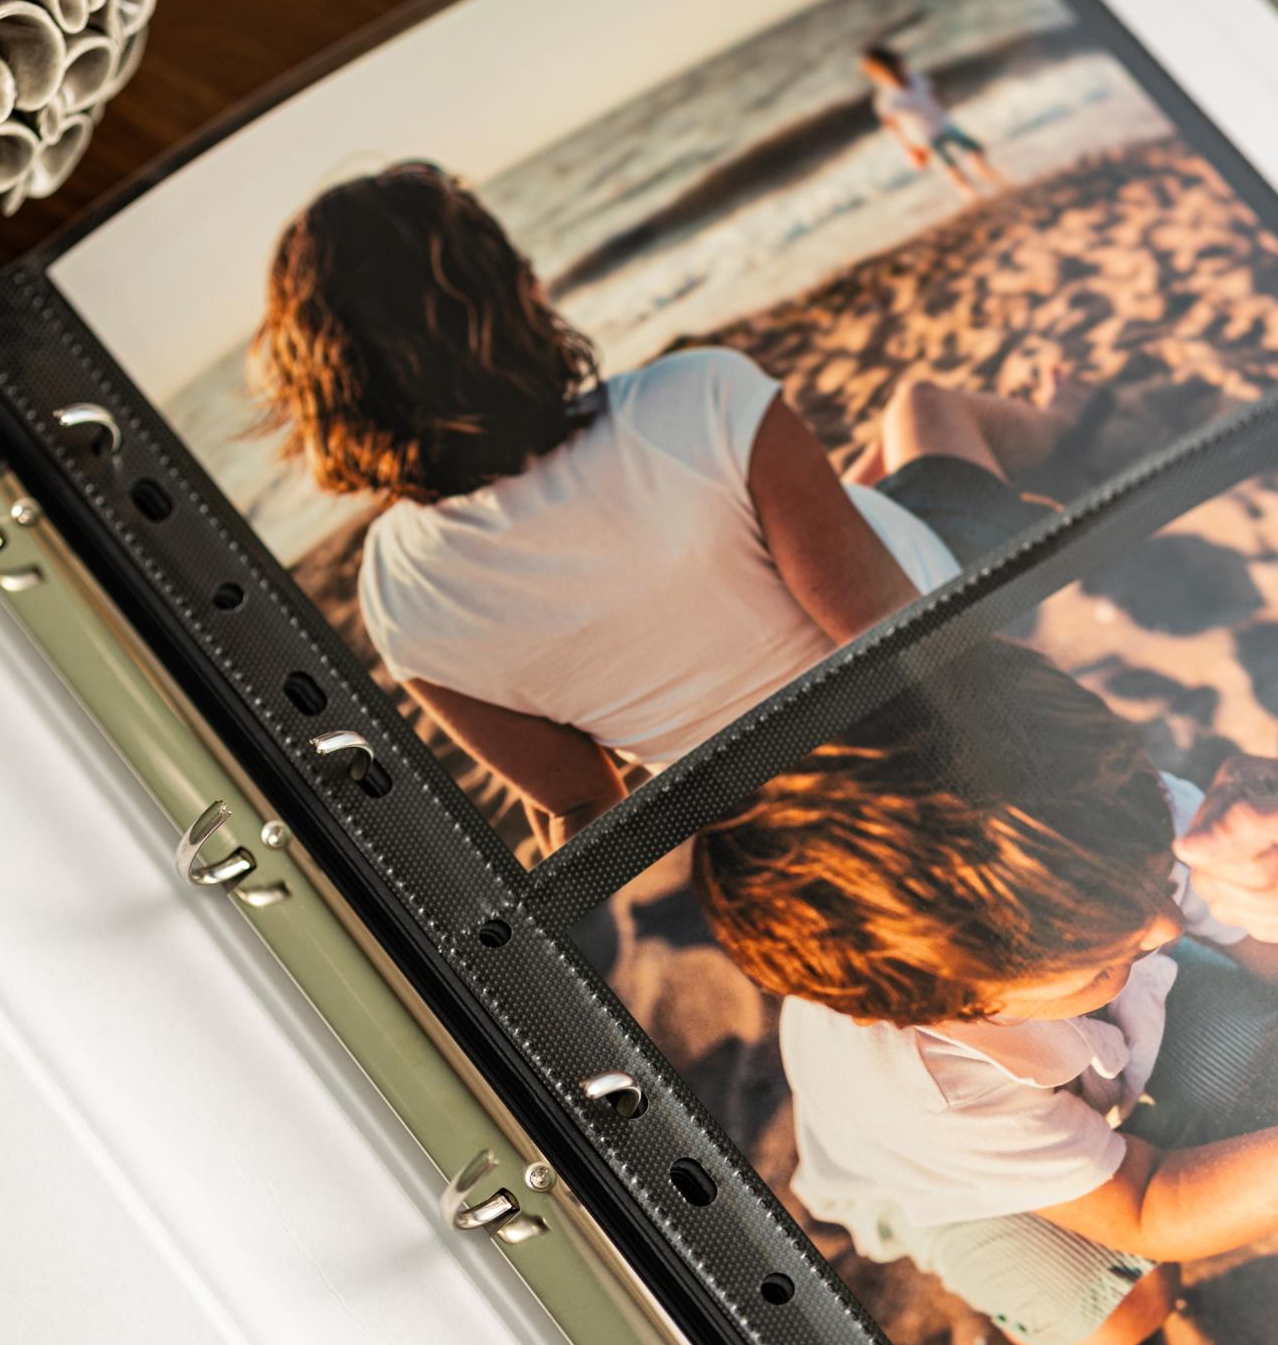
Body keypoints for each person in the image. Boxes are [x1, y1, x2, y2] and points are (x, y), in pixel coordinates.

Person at [256, 163, 1061, 854]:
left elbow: (580, 807)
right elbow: (898, 634)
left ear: (328, 388)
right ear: (507, 295)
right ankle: (1068, 418)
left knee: (825, 485)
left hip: (777, 829)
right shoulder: (695, 397)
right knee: (923, 406)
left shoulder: (396, 595)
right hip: (949, 578)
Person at [693, 638, 1278, 1345]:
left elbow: (1252, 940)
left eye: (1153, 881)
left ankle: (1137, 1090)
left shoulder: (1089, 823)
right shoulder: (922, 1085)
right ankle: (1041, 1338)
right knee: (1122, 1307)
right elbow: (1146, 1205)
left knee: (1255, 1048)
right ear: (956, 1006)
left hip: (1101, 1057)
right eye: (1101, 954)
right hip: (963, 1179)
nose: (1167, 923)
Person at [860, 43, 1003, 198]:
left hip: (944, 124)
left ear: (899, 63)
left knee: (975, 148)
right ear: (877, 77)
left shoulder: (917, 79)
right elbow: (892, 126)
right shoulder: (888, 98)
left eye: (895, 69)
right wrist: (910, 148)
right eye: (888, 73)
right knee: (950, 166)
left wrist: (943, 107)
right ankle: (970, 193)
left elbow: (934, 93)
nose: (895, 74)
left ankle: (985, 172)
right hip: (925, 138)